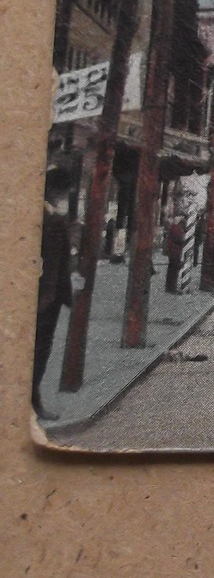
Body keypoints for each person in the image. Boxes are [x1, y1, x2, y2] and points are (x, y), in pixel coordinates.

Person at [34, 166, 78, 420]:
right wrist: (49, 295)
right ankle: (32, 400)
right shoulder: (52, 219)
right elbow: (51, 264)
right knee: (40, 350)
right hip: (45, 299)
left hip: (45, 296)